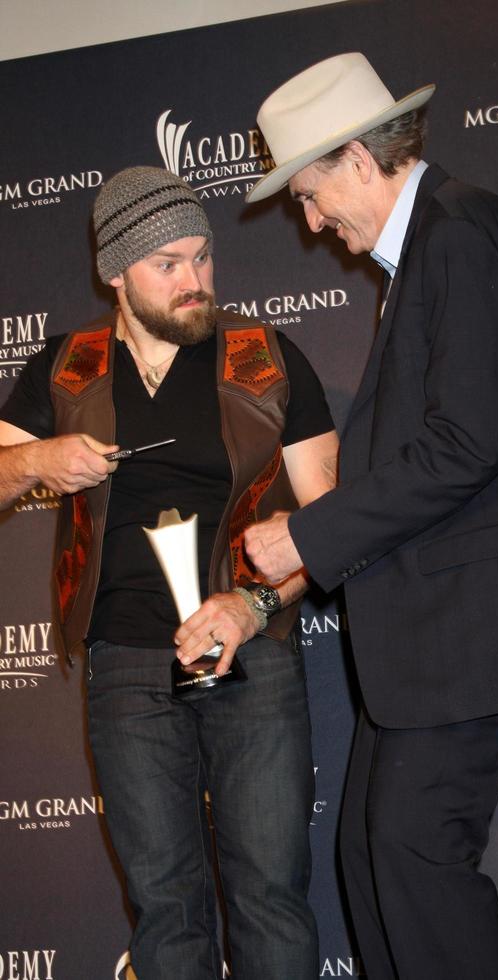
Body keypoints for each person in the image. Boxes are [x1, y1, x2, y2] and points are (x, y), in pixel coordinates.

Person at [243, 53, 498, 980]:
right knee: (374, 862)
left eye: (311, 193)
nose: (313, 219)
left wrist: (308, 532)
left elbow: (466, 445)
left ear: (360, 162)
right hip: (433, 633)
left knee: (411, 860)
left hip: (467, 627)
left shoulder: (458, 235)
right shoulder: (432, 250)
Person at [0, 165, 339, 980]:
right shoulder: (65, 367)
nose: (195, 282)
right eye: (169, 265)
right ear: (115, 272)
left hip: (250, 651)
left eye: (203, 258)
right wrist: (40, 458)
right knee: (165, 905)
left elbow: (330, 523)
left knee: (271, 897)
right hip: (124, 663)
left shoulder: (266, 358)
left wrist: (252, 605)